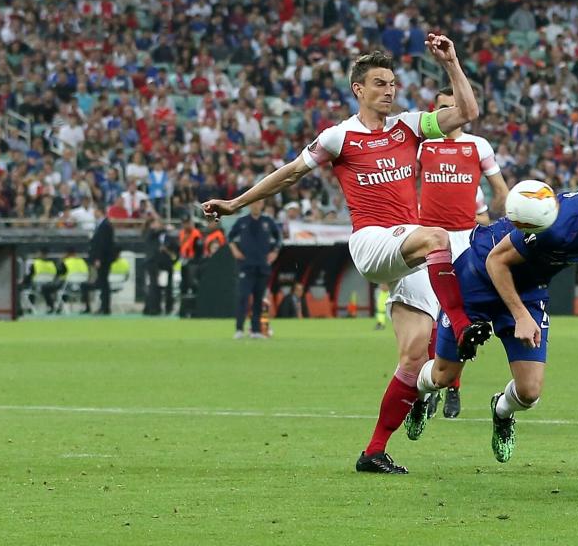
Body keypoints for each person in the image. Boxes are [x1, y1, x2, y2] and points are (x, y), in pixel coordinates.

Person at [201, 37, 493, 475]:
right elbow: (289, 174)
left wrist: (451, 62)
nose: (389, 90)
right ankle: (463, 322)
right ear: (358, 89)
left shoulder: (409, 126)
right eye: (379, 83)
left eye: (392, 82)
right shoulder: (339, 136)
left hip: (406, 247)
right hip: (374, 242)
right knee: (440, 239)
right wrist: (235, 204)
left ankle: (374, 451)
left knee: (417, 361)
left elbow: (467, 113)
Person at [407, 187, 578, 463]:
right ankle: (421, 396)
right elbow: (497, 261)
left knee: (529, 392)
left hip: (529, 289)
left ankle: (501, 410)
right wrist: (520, 315)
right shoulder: (555, 226)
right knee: (443, 377)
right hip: (480, 276)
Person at [418, 86, 509, 419]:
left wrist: (505, 224)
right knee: (430, 319)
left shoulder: (478, 145)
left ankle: (452, 387)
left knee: (459, 319)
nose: (448, 113)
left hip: (465, 240)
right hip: (428, 238)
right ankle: (429, 388)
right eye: (442, 108)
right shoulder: (422, 145)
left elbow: (501, 191)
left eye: (453, 106)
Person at [230, 199, 282, 339]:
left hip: (262, 266)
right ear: (249, 205)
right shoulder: (242, 222)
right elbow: (230, 237)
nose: (256, 205)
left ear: (262, 204)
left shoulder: (268, 222)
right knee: (243, 297)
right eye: (253, 202)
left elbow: (278, 239)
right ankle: (239, 329)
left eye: (258, 203)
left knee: (258, 299)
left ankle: (255, 330)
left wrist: (275, 252)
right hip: (246, 266)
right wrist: (234, 249)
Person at [88, 204, 116, 315]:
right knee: (103, 282)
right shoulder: (102, 225)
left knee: (104, 283)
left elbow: (103, 244)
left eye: (95, 210)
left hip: (103, 260)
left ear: (100, 211)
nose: (93, 213)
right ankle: (104, 306)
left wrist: (98, 258)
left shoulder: (105, 226)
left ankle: (105, 307)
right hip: (103, 259)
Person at [178, 214, 203, 298]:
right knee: (183, 283)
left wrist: (194, 260)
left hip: (193, 263)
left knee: (193, 283)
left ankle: (196, 305)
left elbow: (199, 250)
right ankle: (184, 306)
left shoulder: (196, 234)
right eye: (184, 223)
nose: (185, 225)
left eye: (187, 223)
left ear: (191, 223)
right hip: (184, 261)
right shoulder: (182, 233)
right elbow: (180, 247)